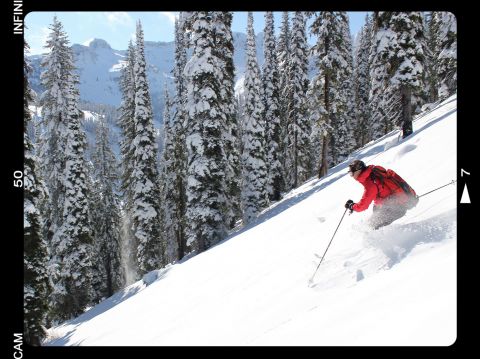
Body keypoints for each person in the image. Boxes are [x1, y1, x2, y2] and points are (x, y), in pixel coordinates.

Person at [345, 160, 415, 229]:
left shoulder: (370, 183)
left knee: (373, 227)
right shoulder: (372, 173)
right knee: (371, 223)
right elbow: (381, 192)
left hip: (397, 208)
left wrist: (352, 206)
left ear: (358, 171)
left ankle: (400, 237)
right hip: (392, 204)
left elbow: (363, 206)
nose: (351, 176)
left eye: (351, 173)